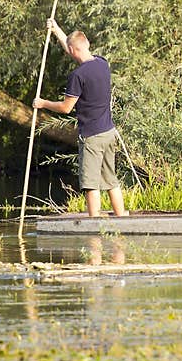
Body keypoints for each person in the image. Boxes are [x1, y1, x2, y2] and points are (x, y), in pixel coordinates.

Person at [33, 19, 129, 217]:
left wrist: (43, 103)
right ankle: (122, 221)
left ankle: (94, 227)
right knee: (111, 181)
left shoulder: (77, 76)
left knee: (91, 184)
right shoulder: (103, 64)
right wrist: (56, 30)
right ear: (87, 45)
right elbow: (73, 48)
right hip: (109, 132)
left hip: (92, 137)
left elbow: (66, 108)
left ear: (72, 49)